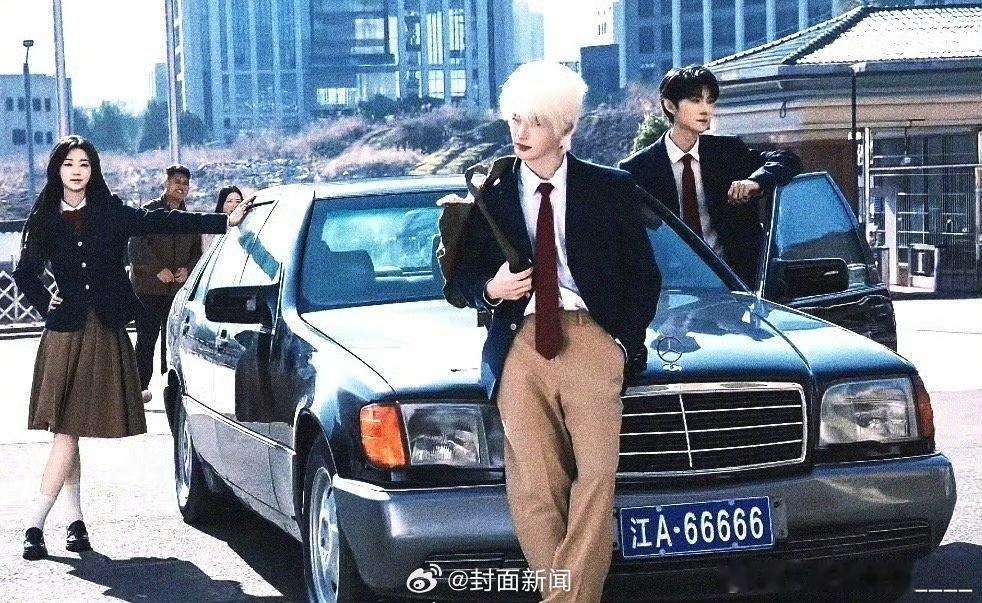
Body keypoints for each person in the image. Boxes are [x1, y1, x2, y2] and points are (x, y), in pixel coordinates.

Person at [452, 62, 660, 602]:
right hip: (519, 345)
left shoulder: (610, 188)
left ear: (565, 126)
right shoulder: (492, 194)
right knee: (535, 487)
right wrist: (491, 288)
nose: (521, 133)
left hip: (592, 339)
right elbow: (458, 279)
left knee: (596, 478)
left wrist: (622, 343)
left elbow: (645, 277)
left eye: (537, 122)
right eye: (515, 120)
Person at [13, 135, 251, 560]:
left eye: (84, 164)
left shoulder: (110, 211)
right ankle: (52, 522)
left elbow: (162, 221)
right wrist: (45, 302)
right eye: (69, 164)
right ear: (57, 169)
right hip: (63, 334)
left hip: (103, 330)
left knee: (68, 429)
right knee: (67, 430)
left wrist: (224, 221)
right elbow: (25, 271)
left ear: (93, 170)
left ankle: (53, 523)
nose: (76, 172)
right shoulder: (45, 216)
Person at [619, 65, 802, 286]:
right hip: (673, 288)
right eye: (696, 100)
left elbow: (787, 159)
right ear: (670, 105)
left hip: (737, 282)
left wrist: (754, 182)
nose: (706, 109)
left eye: (710, 101)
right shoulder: (637, 169)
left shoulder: (728, 150)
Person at [128, 164, 203, 403]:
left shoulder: (189, 218)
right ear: (166, 183)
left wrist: (187, 269)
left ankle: (177, 391)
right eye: (177, 182)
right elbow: (135, 246)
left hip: (177, 292)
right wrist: (156, 270)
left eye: (185, 183)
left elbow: (197, 252)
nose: (181, 187)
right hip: (148, 290)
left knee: (176, 342)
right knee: (146, 341)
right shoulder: (148, 212)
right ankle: (138, 390)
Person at [203, 185, 244, 249]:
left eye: (238, 201)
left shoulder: (246, 225)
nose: (235, 205)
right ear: (222, 204)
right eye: (229, 201)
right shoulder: (212, 230)